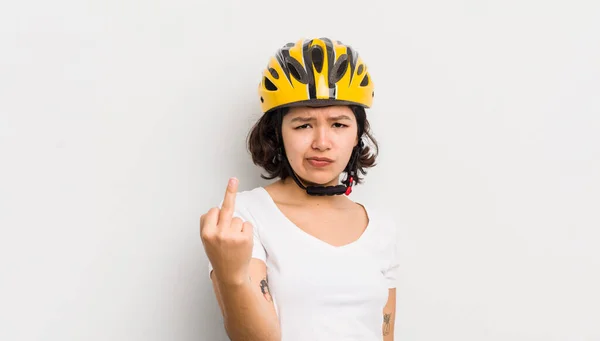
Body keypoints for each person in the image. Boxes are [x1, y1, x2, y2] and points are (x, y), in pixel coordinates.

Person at [200, 37, 400, 341]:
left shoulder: (381, 228)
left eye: (339, 124)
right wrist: (232, 277)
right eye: (303, 125)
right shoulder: (246, 217)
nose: (321, 142)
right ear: (277, 134)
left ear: (358, 134)